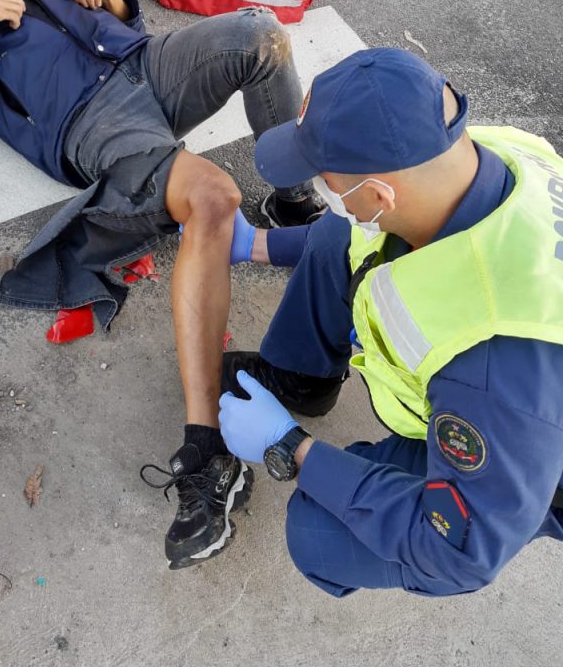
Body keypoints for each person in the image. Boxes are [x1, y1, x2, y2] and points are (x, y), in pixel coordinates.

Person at [0, 0, 324, 567]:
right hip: (90, 119)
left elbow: (109, 19)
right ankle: (205, 451)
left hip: (140, 64)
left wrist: (111, 0)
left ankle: (297, 208)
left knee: (259, 36)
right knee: (213, 198)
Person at [217, 47, 563, 596]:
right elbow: (357, 230)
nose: (326, 193)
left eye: (326, 182)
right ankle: (301, 379)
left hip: (528, 451)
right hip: (516, 390)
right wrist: (255, 244)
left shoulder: (493, 361)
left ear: (380, 194)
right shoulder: (480, 157)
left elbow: (460, 554)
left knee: (318, 530)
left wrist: (294, 450)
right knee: (341, 231)